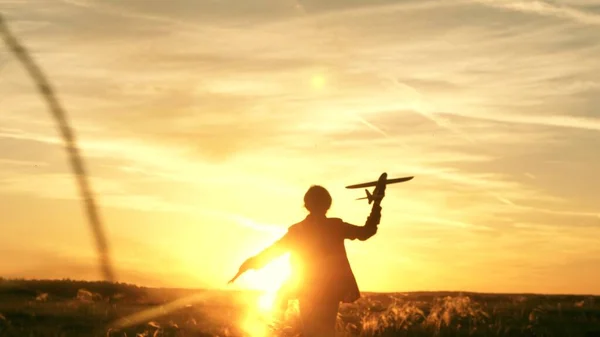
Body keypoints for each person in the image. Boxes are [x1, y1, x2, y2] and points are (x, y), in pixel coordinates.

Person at [229, 185, 381, 337]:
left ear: (307, 205)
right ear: (328, 205)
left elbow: (273, 252)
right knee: (326, 332)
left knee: (312, 332)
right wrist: (377, 202)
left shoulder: (298, 230)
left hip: (307, 289)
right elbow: (367, 231)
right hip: (328, 290)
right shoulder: (335, 226)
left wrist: (249, 264)